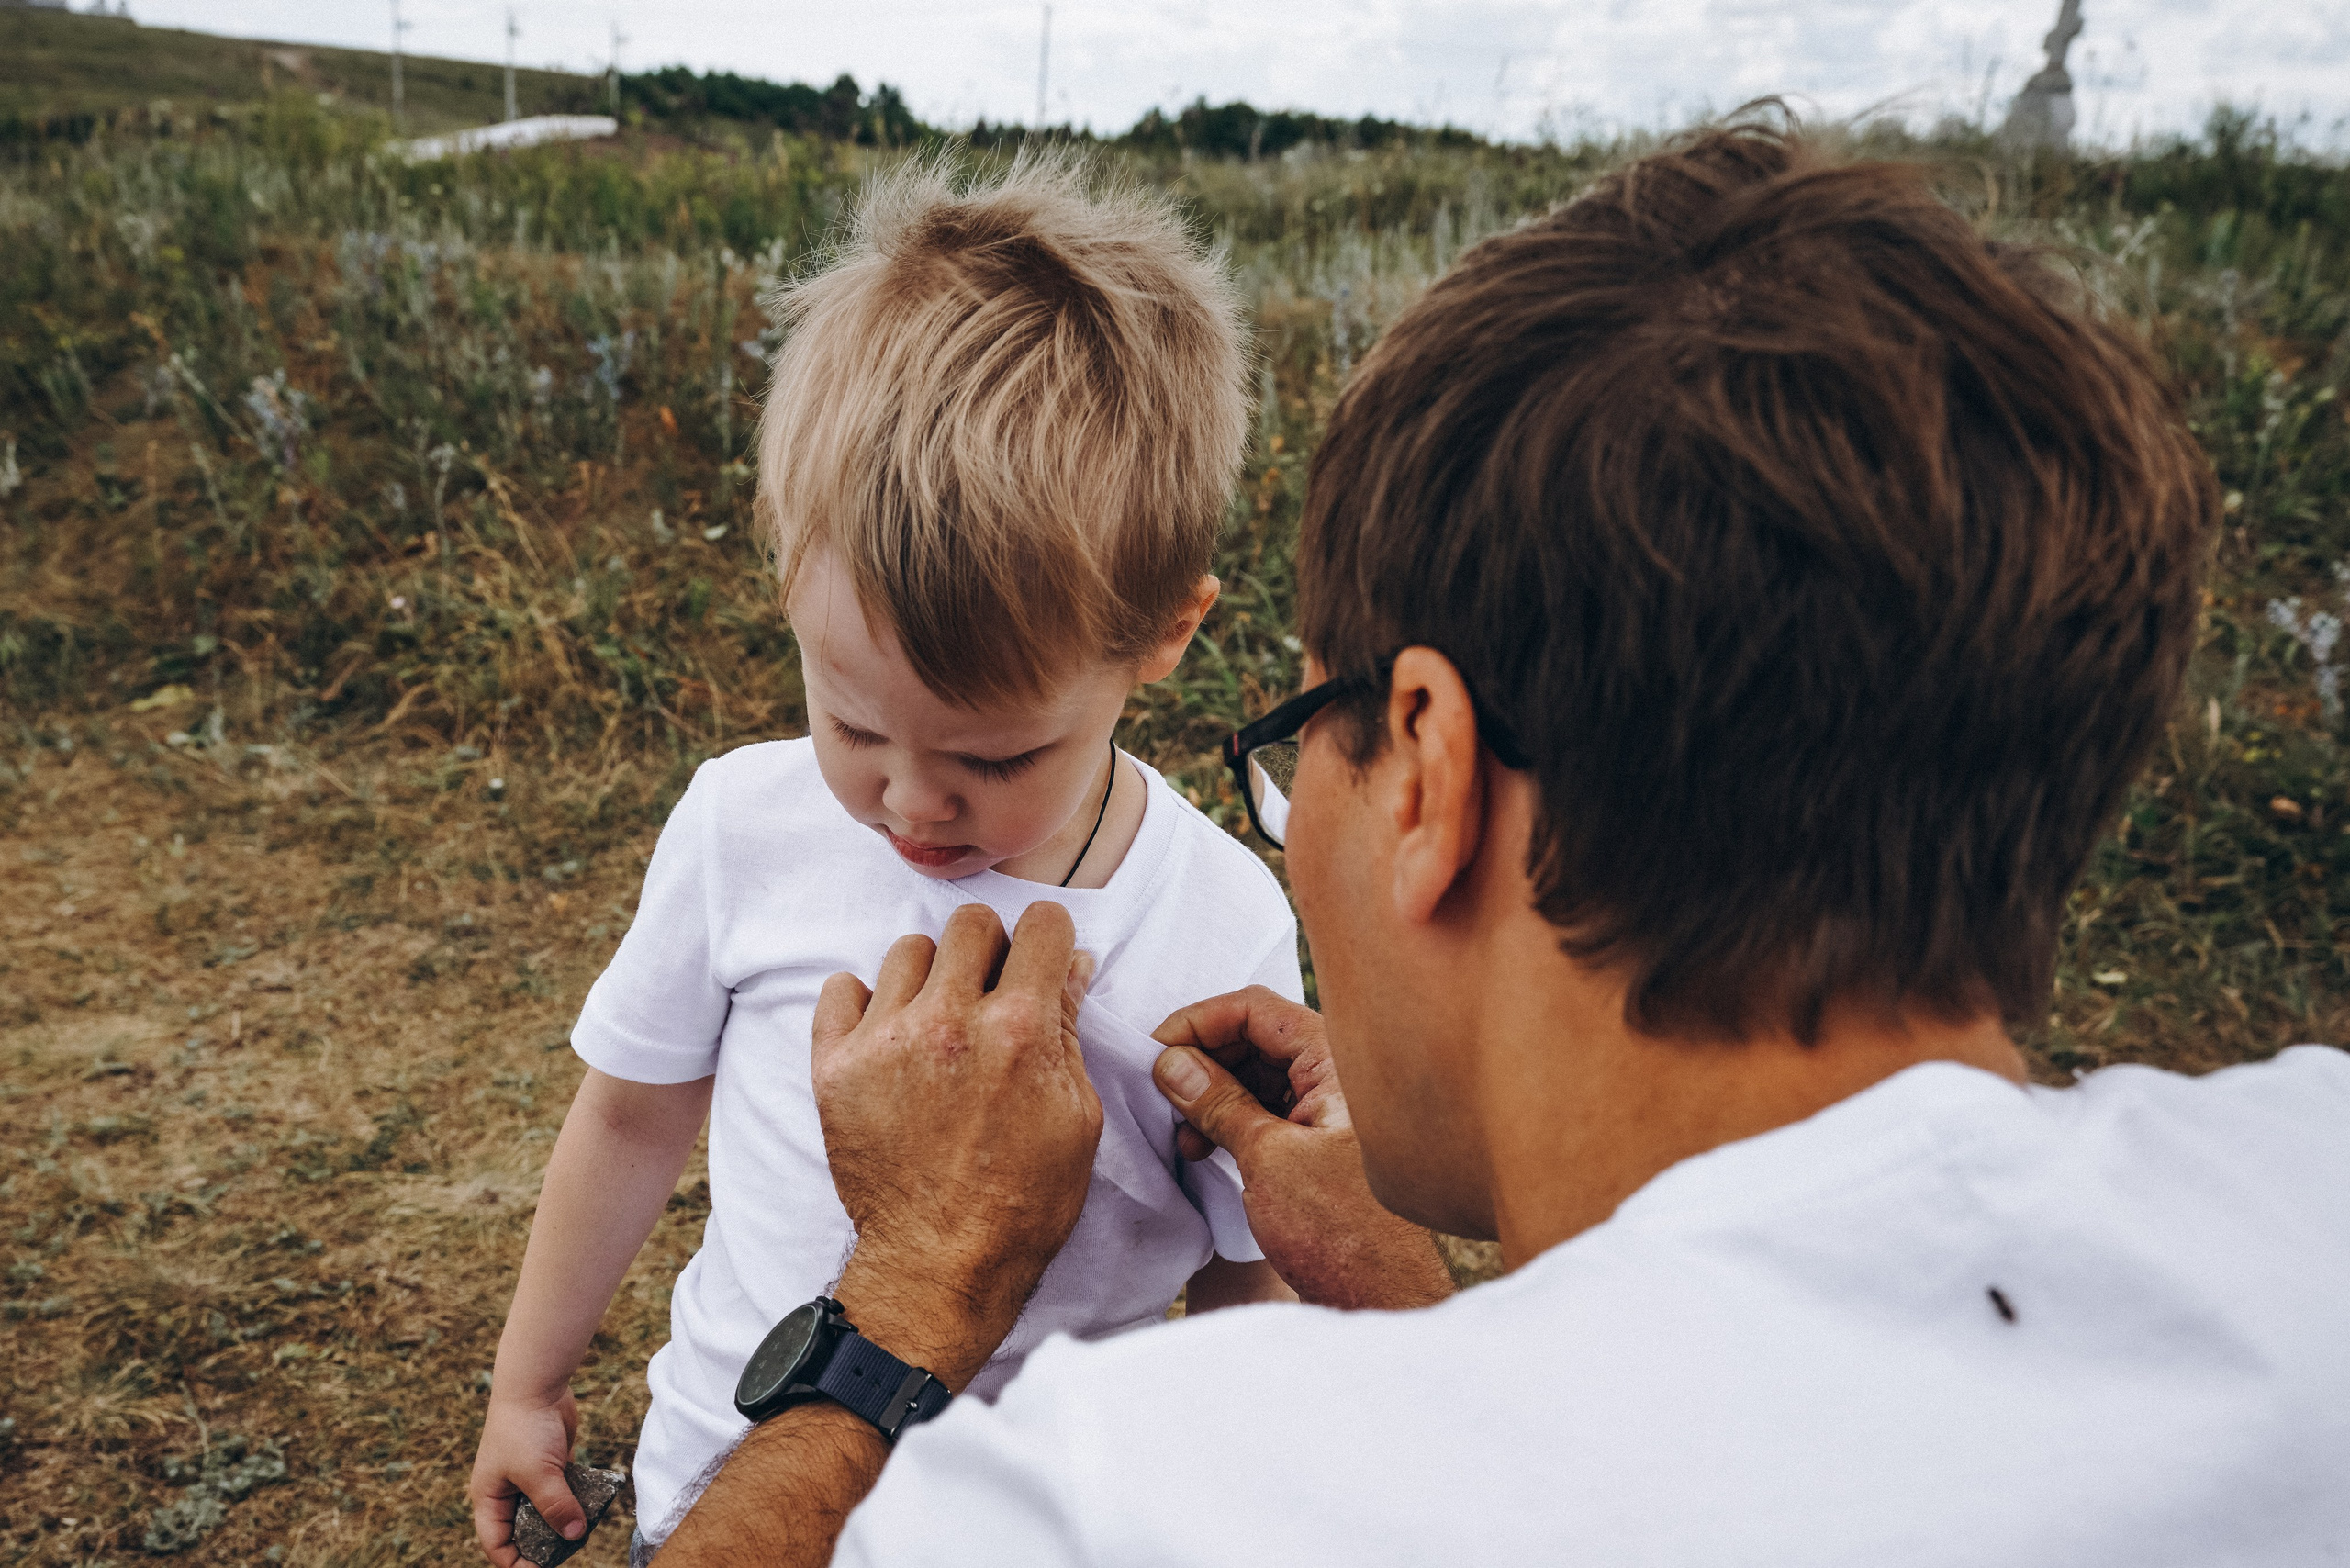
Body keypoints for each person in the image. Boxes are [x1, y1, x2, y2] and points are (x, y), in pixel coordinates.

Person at [652, 121, 2350, 1565]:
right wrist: (1410, 1303)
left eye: (1295, 741)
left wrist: (910, 1297)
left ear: (1430, 773)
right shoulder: (2306, 1215)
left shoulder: (1130, 1507)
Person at [467, 158, 1312, 1568]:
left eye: (996, 756)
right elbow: (628, 1119)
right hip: (724, 1490)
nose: (911, 802)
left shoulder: (1220, 925)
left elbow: (1245, 1266)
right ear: (790, 576)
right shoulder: (743, 827)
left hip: (1034, 1537)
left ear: (1165, 635)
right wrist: (526, 1385)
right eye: (854, 724)